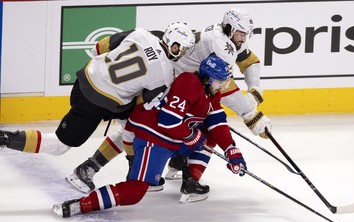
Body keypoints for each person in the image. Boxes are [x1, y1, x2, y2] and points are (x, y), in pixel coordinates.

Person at [63, 7, 272, 194]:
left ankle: (178, 163)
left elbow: (249, 60)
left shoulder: (225, 37)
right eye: (241, 33)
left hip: (183, 88)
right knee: (138, 128)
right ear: (229, 27)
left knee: (189, 125)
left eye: (247, 34)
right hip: (165, 86)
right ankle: (90, 167)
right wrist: (250, 115)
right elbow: (226, 89)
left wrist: (255, 88)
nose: (244, 38)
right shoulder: (221, 45)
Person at [52, 54, 247, 217]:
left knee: (208, 135)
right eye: (221, 81)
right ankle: (81, 205)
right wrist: (191, 136)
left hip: (172, 138)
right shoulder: (189, 82)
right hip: (153, 137)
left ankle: (191, 182)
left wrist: (232, 150)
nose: (224, 86)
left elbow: (217, 122)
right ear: (208, 78)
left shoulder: (211, 94)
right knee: (134, 192)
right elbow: (168, 121)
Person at [0, 23, 195, 165]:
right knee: (61, 145)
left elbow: (100, 46)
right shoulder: (165, 75)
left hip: (84, 78)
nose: (183, 53)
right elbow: (142, 102)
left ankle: (112, 165)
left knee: (128, 122)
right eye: (183, 48)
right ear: (173, 43)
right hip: (96, 104)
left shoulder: (141, 34)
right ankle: (7, 140)